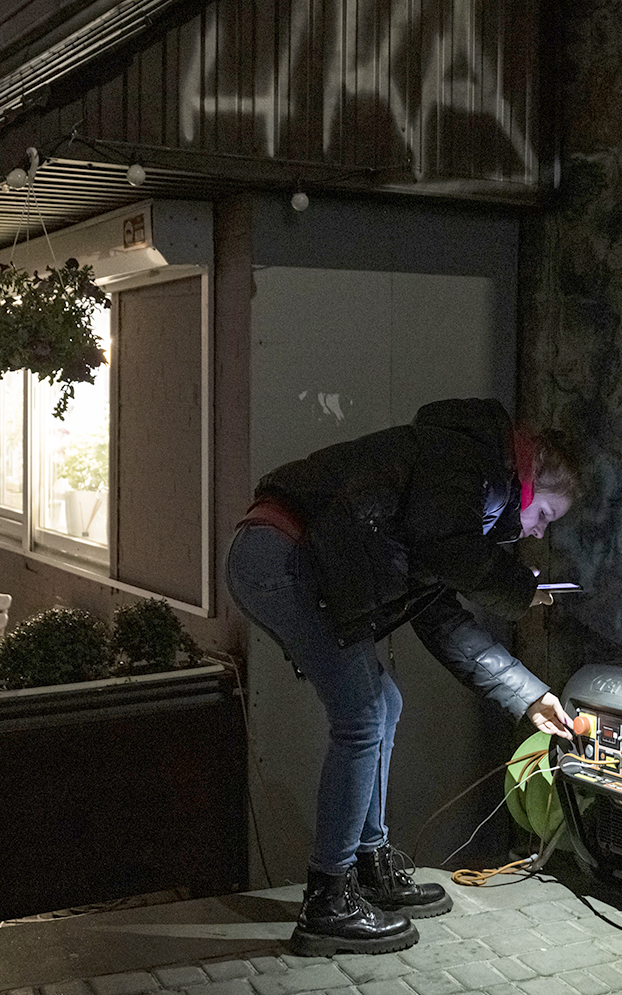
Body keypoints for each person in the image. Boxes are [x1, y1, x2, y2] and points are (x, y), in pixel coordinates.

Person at [227, 398, 581, 956]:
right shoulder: (464, 466)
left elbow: (441, 618)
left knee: (381, 702)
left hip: (292, 556)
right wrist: (517, 588)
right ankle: (328, 903)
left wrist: (530, 696)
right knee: (362, 715)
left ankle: (368, 866)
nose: (536, 535)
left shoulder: (457, 500)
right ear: (530, 484)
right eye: (544, 517)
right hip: (284, 556)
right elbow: (452, 555)